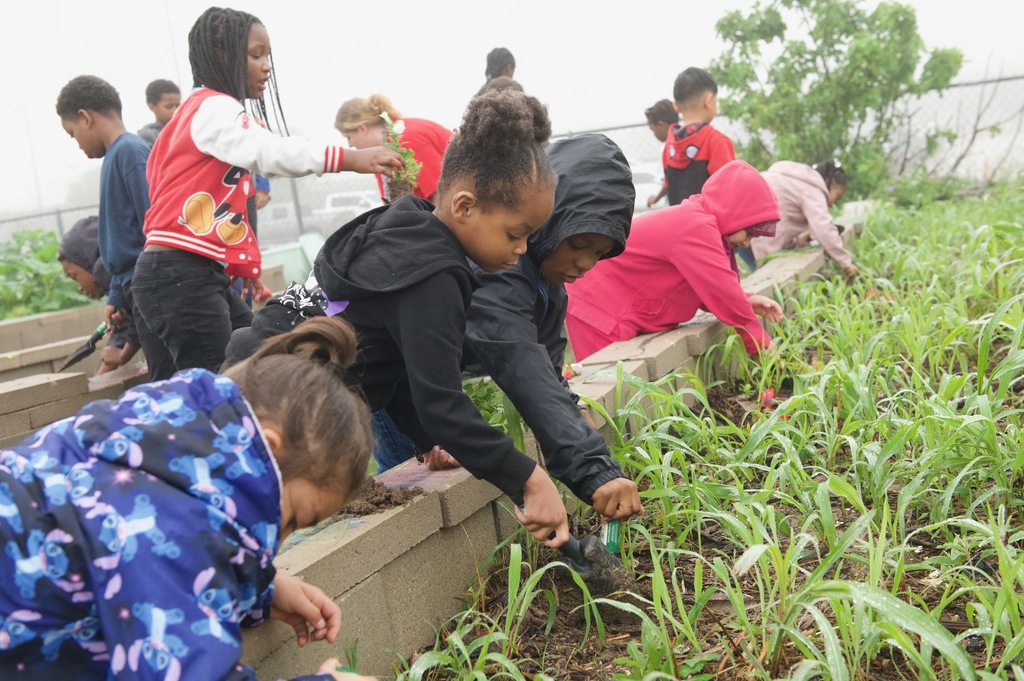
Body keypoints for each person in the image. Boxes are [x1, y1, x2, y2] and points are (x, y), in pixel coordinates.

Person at [224, 89, 571, 548]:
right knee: (244, 524)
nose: (522, 250)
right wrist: (530, 480)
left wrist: (423, 438)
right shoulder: (435, 275)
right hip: (282, 409)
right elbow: (442, 403)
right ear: (464, 206)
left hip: (250, 369)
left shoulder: (404, 227)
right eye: (516, 233)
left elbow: (399, 358)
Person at [0, 316, 377, 681]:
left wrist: (260, 585)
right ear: (269, 450)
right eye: (292, 519)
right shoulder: (169, 529)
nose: (276, 545)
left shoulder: (144, 440)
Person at [132, 7, 403, 382]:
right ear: (223, 55)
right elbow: (270, 152)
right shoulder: (213, 108)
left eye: (267, 56)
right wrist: (350, 157)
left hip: (186, 274)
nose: (267, 66)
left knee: (258, 355)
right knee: (224, 390)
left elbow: (202, 202)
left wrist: (242, 266)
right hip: (180, 277)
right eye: (255, 55)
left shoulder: (193, 115)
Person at [464, 133, 645, 523]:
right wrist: (594, 469)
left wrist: (570, 409)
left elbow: (546, 366)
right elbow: (521, 365)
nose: (585, 263)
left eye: (598, 253)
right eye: (578, 243)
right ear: (548, 219)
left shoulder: (547, 279)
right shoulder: (502, 267)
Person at [565, 160, 784, 361]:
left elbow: (706, 287)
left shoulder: (702, 223)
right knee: (611, 382)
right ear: (734, 213)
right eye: (749, 233)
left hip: (617, 303)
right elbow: (722, 291)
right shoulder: (696, 226)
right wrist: (761, 343)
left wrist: (747, 300)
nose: (747, 243)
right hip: (598, 304)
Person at [55, 74, 174, 380]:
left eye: (72, 133)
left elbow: (154, 227)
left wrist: (140, 287)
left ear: (85, 117)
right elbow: (126, 235)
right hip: (134, 288)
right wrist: (118, 297)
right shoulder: (115, 156)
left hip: (149, 285)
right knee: (161, 372)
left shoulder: (129, 152)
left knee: (166, 374)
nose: (77, 144)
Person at [661, 67, 754, 271]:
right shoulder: (717, 141)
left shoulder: (668, 148)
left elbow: (670, 189)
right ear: (709, 100)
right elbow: (729, 195)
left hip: (680, 238)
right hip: (712, 239)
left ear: (677, 106)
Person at [58, 215, 140, 374]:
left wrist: (122, 355)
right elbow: (126, 321)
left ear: (85, 261)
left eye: (75, 277)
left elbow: (138, 316)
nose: (80, 288)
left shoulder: (103, 268)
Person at [335, 94, 453, 204]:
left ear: (362, 129)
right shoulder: (381, 155)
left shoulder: (407, 138)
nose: (350, 145)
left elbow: (441, 197)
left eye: (349, 137)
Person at [751, 159, 858, 277]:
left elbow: (785, 217)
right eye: (836, 197)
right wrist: (846, 263)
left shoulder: (796, 181)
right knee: (769, 272)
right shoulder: (813, 190)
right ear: (829, 182)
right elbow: (824, 229)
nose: (832, 203)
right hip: (758, 223)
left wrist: (797, 241)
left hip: (746, 216)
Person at [643, 99, 679, 209]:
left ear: (661, 125)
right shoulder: (685, 139)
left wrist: (656, 198)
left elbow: (669, 181)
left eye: (652, 129)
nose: (654, 134)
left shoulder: (670, 147)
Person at [137, 79, 181, 148]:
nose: (175, 110)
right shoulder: (148, 136)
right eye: (169, 106)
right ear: (152, 106)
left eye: (178, 106)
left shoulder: (187, 127)